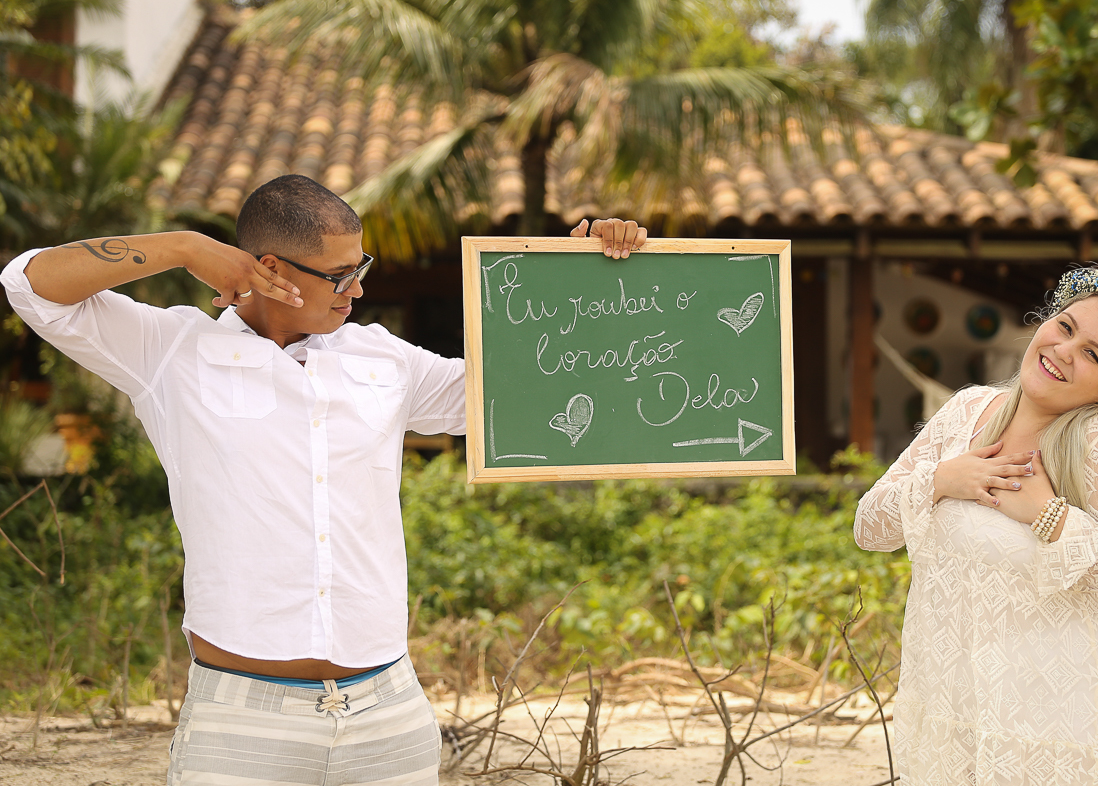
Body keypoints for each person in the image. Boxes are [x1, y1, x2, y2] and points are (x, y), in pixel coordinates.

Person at [0, 174, 648, 786]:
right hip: (240, 718)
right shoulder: (169, 351)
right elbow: (30, 284)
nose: (357, 289)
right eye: (340, 275)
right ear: (270, 269)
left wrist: (575, 281)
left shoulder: (382, 357)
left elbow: (517, 391)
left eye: (359, 268)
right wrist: (185, 248)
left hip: (388, 710)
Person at [854, 264, 1098, 785]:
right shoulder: (965, 412)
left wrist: (1051, 517)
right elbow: (870, 527)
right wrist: (941, 479)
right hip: (950, 708)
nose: (1064, 351)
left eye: (1092, 354)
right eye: (1065, 328)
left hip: (1060, 723)